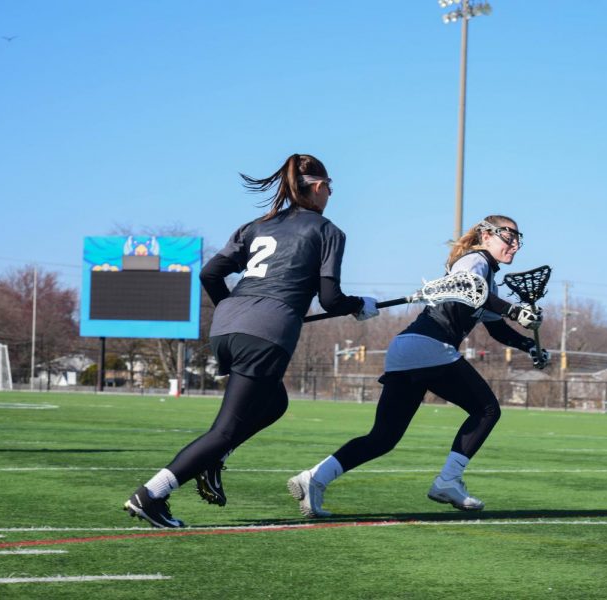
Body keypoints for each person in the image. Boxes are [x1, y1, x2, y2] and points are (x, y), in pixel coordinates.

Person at [124, 153, 379, 528]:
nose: (331, 196)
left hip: (226, 327)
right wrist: (360, 306)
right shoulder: (327, 231)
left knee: (274, 403)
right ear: (320, 187)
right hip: (265, 334)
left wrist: (237, 311)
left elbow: (210, 274)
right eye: (331, 188)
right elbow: (330, 299)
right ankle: (151, 495)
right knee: (224, 430)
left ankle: (214, 461)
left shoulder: (255, 226)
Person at [288, 215, 548, 518]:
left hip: (405, 347)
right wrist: (514, 310)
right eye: (508, 236)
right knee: (487, 410)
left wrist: (529, 345)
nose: (515, 245)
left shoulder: (486, 280)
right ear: (486, 236)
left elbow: (496, 327)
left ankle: (313, 478)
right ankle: (448, 481)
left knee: (383, 437)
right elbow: (470, 284)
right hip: (430, 345)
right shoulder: (475, 261)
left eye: (518, 239)